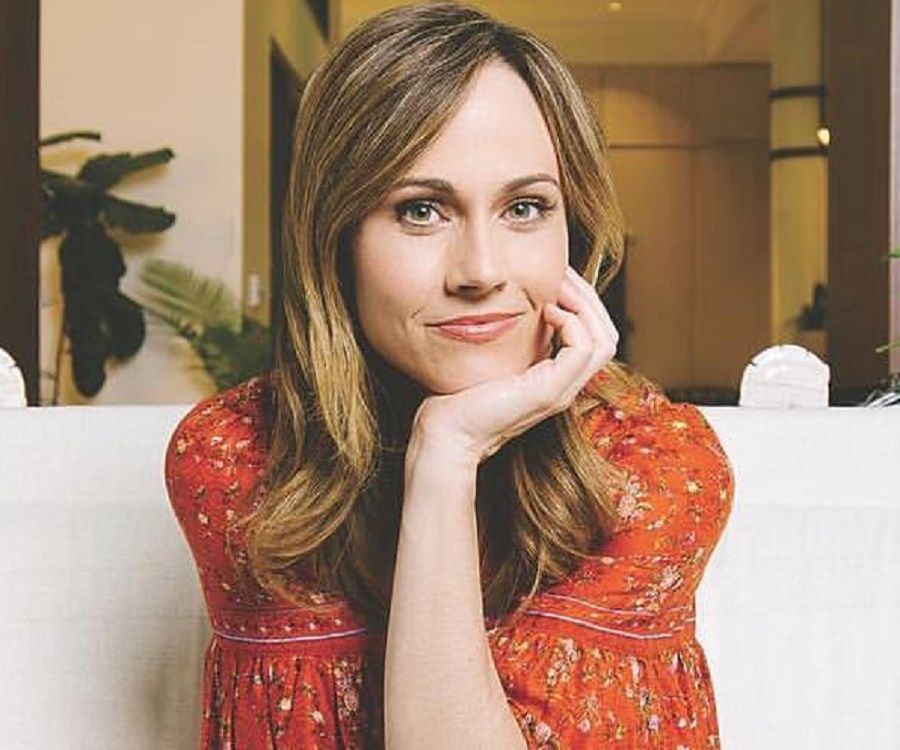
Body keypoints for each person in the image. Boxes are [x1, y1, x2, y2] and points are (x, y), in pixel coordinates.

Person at [164, 2, 735, 748]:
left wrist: (447, 451)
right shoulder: (238, 458)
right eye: (421, 211)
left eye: (524, 207)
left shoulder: (653, 463)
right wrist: (445, 460)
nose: (481, 271)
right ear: (334, 236)